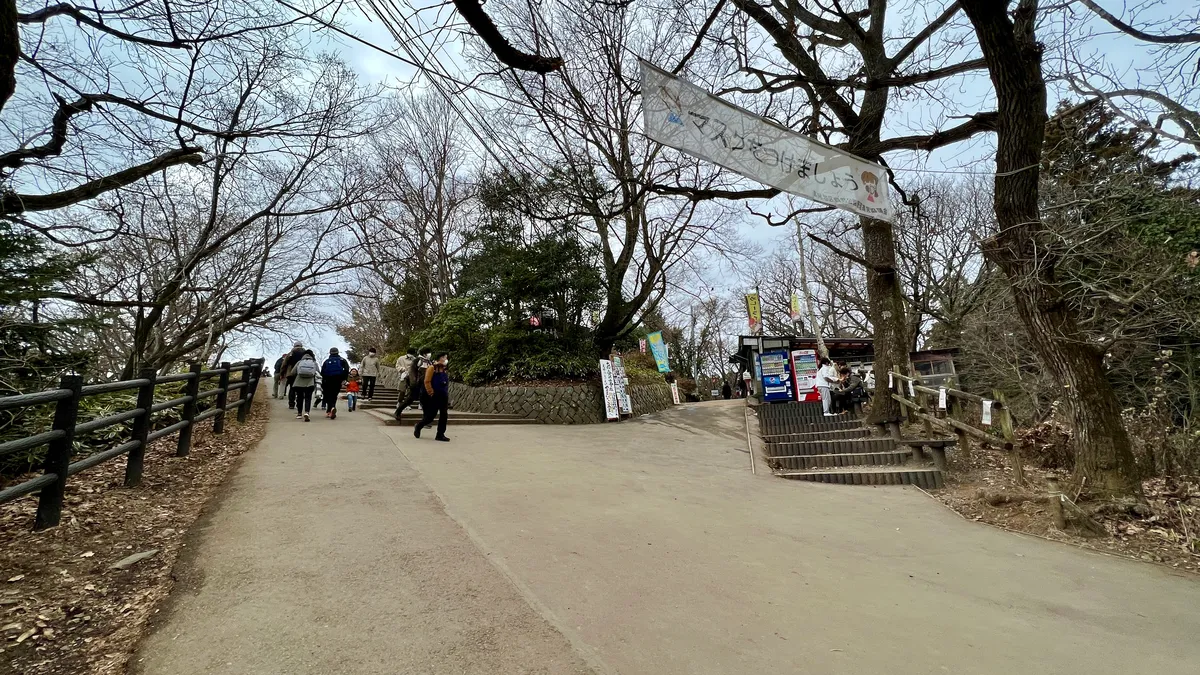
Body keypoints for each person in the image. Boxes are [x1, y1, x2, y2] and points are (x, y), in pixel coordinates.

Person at [414, 351, 450, 442]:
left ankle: (440, 434)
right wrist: (431, 392)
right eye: (445, 357)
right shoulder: (432, 368)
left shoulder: (444, 369)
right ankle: (419, 426)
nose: (446, 359)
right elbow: (427, 381)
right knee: (431, 416)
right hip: (435, 395)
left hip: (443, 395)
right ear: (440, 358)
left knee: (444, 415)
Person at [394, 348, 432, 422]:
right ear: (424, 354)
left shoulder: (428, 362)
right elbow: (412, 372)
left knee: (426, 401)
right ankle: (398, 412)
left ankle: (426, 419)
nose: (429, 354)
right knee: (409, 400)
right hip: (417, 384)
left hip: (424, 385)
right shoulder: (417, 361)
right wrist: (413, 383)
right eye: (428, 353)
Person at [321, 347, 350, 419]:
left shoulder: (327, 361)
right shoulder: (342, 360)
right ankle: (332, 407)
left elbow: (322, 372)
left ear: (330, 353)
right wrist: (344, 379)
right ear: (338, 352)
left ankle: (329, 410)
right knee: (334, 395)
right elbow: (346, 369)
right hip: (338, 380)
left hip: (327, 380)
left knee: (328, 395)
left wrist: (323, 381)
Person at [290, 350, 318, 421]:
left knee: (299, 397)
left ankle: (299, 413)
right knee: (308, 398)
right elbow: (318, 372)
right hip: (310, 383)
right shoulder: (314, 362)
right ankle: (306, 412)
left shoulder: (299, 362)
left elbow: (292, 372)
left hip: (299, 383)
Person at [283, 342, 306, 409]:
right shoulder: (305, 353)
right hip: (301, 373)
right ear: (301, 346)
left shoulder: (290, 353)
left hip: (291, 374)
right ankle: (299, 404)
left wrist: (282, 373)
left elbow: (284, 364)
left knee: (292, 388)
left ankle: (291, 404)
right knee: (301, 389)